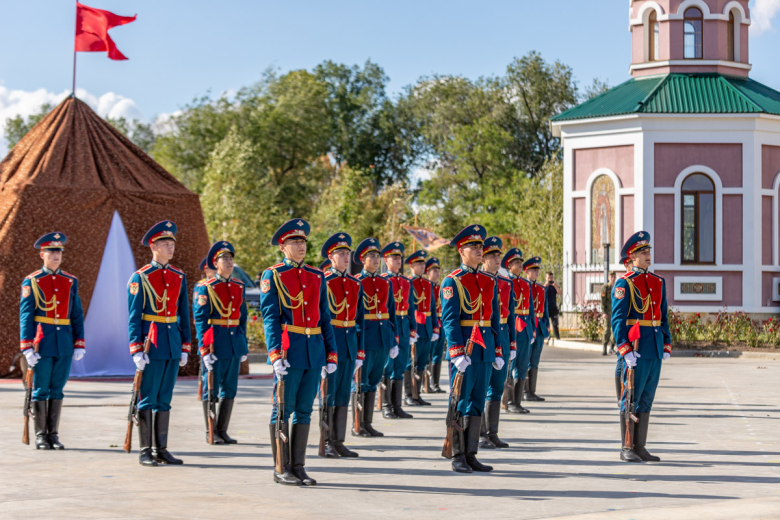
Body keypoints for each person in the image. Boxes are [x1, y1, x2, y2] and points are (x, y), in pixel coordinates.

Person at [260, 219, 338, 486]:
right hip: (289, 351)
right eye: (295, 241)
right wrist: (274, 354)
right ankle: (281, 467)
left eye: (303, 241)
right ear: (282, 247)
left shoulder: (316, 275)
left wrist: (331, 352)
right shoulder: (273, 275)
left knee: (305, 410)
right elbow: (270, 318)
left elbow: (325, 317)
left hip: (313, 350)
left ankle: (298, 466)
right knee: (283, 409)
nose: (301, 245)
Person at [127, 221, 191, 466]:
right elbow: (134, 316)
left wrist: (185, 345)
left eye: (172, 243)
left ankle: (161, 449)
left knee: (164, 398)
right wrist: (136, 348)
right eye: (165, 243)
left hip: (172, 343)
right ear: (153, 247)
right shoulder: (141, 277)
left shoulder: (178, 276)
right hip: (150, 345)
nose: (170, 247)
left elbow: (183, 313)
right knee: (147, 398)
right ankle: (145, 450)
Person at [440, 224, 503, 473]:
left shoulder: (489, 280)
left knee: (477, 401)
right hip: (464, 351)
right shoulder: (453, 281)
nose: (479, 250)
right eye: (473, 247)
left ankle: (471, 453)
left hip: (484, 350)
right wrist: (456, 352)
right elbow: (450, 320)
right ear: (461, 251)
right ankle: (457, 454)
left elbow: (495, 319)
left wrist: (498, 350)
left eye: (480, 246)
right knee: (460, 400)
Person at [19, 232, 85, 450]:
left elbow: (76, 314)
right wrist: (27, 346)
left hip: (64, 342)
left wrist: (79, 342)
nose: (56, 255)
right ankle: (41, 435)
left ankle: (53, 435)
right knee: (40, 389)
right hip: (42, 343)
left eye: (59, 252)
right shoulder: (32, 281)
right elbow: (26, 315)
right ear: (42, 255)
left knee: (57, 389)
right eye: (51, 252)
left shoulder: (70, 281)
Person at [612, 231, 671, 463]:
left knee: (647, 397)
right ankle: (627, 447)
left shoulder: (658, 282)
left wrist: (666, 343)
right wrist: (624, 349)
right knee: (630, 397)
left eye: (648, 251)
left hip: (654, 347)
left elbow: (663, 316)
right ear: (632, 257)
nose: (648, 255)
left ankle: (640, 446)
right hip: (636, 349)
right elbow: (618, 320)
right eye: (643, 252)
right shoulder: (625, 283)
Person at [193, 241, 248, 445]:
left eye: (231, 258)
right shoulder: (206, 288)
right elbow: (201, 320)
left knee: (230, 389)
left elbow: (242, 317)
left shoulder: (238, 286)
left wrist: (243, 343)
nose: (229, 262)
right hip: (215, 344)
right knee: (211, 389)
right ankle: (211, 431)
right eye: (224, 258)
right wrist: (204, 349)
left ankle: (222, 430)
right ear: (215, 263)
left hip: (233, 344)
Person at [320, 233, 364, 458]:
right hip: (333, 343)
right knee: (329, 393)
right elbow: (320, 319)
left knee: (344, 394)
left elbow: (360, 320)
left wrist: (360, 351)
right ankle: (327, 441)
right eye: (341, 254)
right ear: (331, 257)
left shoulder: (355, 283)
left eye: (348, 253)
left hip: (349, 344)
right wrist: (323, 351)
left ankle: (338, 441)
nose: (346, 258)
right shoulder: (324, 281)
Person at [353, 238, 398, 433]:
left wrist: (394, 338)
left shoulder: (385, 283)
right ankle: (358, 425)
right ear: (363, 259)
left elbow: (391, 312)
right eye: (371, 256)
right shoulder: (357, 282)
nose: (376, 259)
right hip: (366, 337)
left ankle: (368, 423)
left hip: (382, 337)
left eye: (377, 256)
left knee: (373, 382)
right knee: (361, 382)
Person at [479, 237, 515, 449]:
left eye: (498, 255)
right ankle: (481, 433)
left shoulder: (506, 283)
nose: (496, 259)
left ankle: (492, 433)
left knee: (497, 386)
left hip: (502, 334)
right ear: (483, 259)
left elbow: (510, 316)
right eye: (492, 256)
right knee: (482, 386)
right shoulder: (479, 280)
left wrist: (512, 344)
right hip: (485, 335)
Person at [380, 242, 417, 419]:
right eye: (393, 258)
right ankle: (386, 405)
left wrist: (413, 329)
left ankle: (397, 406)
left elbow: (411, 307)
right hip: (389, 324)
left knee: (401, 365)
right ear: (386, 260)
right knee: (388, 366)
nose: (397, 260)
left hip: (403, 325)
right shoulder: (383, 280)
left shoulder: (406, 281)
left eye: (399, 258)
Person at [502, 248, 534, 414]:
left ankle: (518, 402)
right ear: (509, 266)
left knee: (522, 365)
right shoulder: (506, 282)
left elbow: (531, 308)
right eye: (516, 263)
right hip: (513, 327)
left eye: (521, 263)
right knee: (511, 366)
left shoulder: (526, 283)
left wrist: (532, 329)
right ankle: (508, 401)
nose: (520, 265)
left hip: (525, 328)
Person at [405, 250, 438, 406]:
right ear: (411, 266)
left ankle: (417, 394)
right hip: (415, 326)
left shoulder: (427, 284)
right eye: (419, 264)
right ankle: (408, 394)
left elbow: (432, 307)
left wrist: (435, 327)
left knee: (423, 361)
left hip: (427, 327)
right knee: (411, 362)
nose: (422, 266)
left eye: (423, 263)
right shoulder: (408, 283)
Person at [523, 257, 549, 402]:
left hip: (539, 327)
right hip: (528, 326)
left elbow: (545, 310)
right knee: (525, 359)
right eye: (533, 270)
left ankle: (532, 391)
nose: (536, 272)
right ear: (526, 271)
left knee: (535, 360)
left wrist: (547, 326)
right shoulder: (524, 286)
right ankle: (525, 391)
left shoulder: (541, 288)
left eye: (537, 270)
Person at [425, 256, 446, 393]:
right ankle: (425, 383)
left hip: (441, 322)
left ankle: (435, 384)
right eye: (434, 271)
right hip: (430, 322)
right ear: (428, 272)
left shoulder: (441, 288)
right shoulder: (426, 287)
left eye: (438, 271)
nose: (437, 273)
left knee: (438, 354)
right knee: (428, 354)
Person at [601, 271, 617, 355]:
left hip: (615, 312)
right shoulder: (605, 288)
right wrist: (603, 312)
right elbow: (602, 301)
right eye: (611, 277)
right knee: (606, 330)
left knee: (614, 330)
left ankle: (611, 347)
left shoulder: (617, 287)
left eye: (614, 277)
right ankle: (604, 348)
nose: (613, 278)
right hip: (607, 312)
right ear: (608, 278)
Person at [545, 272, 561, 343]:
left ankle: (557, 337)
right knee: (546, 324)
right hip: (546, 308)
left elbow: (560, 293)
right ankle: (547, 337)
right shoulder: (544, 286)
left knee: (555, 324)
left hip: (553, 308)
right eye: (549, 278)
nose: (550, 279)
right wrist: (545, 285)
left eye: (551, 278)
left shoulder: (554, 286)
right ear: (546, 278)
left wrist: (556, 286)